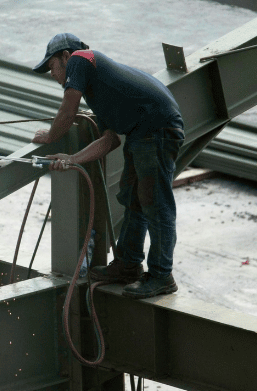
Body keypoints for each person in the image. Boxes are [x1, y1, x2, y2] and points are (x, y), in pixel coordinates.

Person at [32, 33, 184, 299]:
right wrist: (71, 159)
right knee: (133, 197)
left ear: (66, 56)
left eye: (53, 67)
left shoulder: (82, 59)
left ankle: (162, 275)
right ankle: (128, 265)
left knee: (155, 202)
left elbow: (68, 112)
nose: (54, 75)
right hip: (142, 131)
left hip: (158, 128)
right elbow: (109, 141)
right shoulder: (99, 94)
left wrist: (50, 136)